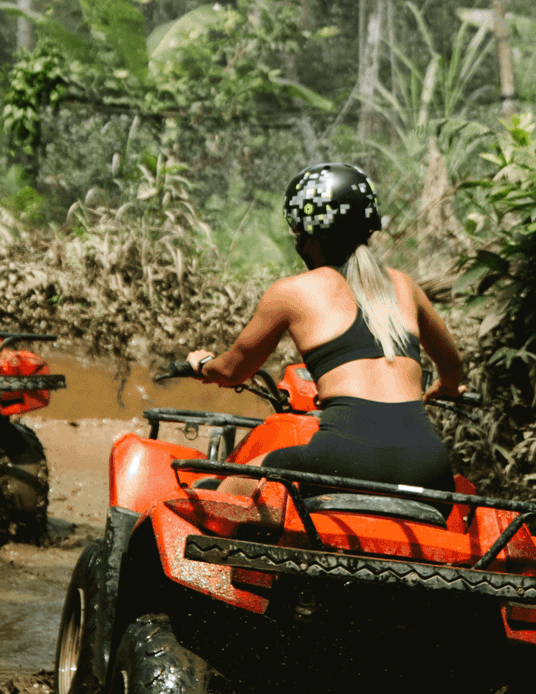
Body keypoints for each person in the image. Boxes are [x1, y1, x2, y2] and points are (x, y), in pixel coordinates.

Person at [185, 163, 465, 495]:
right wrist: (444, 387)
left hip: (340, 459)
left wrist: (203, 364)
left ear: (307, 235)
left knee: (230, 488)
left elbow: (231, 371)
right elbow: (453, 368)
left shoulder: (292, 291)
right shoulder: (405, 286)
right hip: (428, 468)